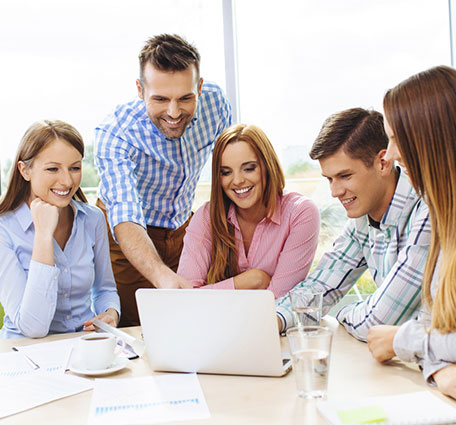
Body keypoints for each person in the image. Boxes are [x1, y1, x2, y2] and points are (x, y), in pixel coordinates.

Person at [95, 34, 232, 326]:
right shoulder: (115, 133)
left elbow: (231, 168)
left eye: (185, 97)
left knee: (194, 328)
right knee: (138, 332)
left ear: (200, 87)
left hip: (184, 230)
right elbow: (125, 213)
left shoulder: (216, 105)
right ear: (140, 90)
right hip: (128, 240)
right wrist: (161, 276)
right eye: (160, 99)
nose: (173, 112)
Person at [276, 108, 431, 341]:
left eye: (345, 176)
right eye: (329, 179)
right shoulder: (362, 219)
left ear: (382, 163)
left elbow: (378, 320)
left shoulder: (429, 208)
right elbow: (320, 287)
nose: (335, 192)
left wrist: (344, 314)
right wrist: (274, 319)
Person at [367, 65, 456, 399]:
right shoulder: (443, 218)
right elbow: (437, 329)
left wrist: (403, 341)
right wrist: (440, 370)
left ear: (427, 139)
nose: (390, 154)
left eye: (394, 138)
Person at [0, 120, 120, 339]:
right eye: (52, 169)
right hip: (23, 354)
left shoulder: (92, 219)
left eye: (75, 168)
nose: (66, 181)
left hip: (82, 348)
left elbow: (105, 289)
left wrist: (110, 312)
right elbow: (33, 328)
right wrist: (43, 236)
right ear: (25, 170)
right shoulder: (4, 230)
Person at [177, 124, 320, 296]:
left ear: (267, 166)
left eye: (249, 168)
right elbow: (184, 297)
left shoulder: (300, 213)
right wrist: (249, 281)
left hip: (275, 323)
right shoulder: (206, 217)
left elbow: (280, 300)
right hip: (220, 321)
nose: (237, 181)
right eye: (226, 172)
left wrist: (211, 294)